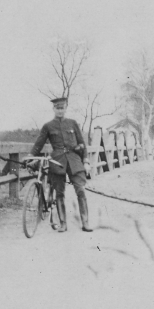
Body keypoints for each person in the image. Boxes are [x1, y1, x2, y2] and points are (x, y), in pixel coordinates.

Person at [30, 97, 92, 233]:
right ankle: (63, 223)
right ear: (53, 109)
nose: (60, 111)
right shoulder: (48, 126)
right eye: (57, 108)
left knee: (80, 190)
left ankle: (85, 222)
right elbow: (38, 144)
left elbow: (83, 144)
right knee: (59, 193)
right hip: (57, 161)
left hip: (75, 161)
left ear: (65, 108)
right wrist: (30, 156)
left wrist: (86, 161)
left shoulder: (73, 123)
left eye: (62, 108)